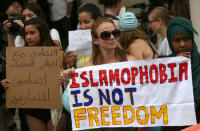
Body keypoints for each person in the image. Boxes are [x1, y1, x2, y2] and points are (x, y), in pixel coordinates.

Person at [62, 18, 136, 131]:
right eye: (106, 35)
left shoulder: (131, 62)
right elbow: (70, 102)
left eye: (115, 33)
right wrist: (69, 81)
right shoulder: (88, 69)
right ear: (95, 40)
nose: (112, 37)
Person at [1, 17, 67, 131]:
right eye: (26, 34)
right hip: (33, 108)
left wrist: (64, 79)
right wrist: (8, 84)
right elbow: (17, 79)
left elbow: (67, 78)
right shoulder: (21, 56)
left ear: (42, 33)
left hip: (55, 106)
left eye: (32, 33)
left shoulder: (55, 52)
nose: (28, 37)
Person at [164, 17, 200, 131]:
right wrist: (174, 66)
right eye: (177, 41)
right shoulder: (163, 68)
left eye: (186, 39)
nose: (182, 44)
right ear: (170, 42)